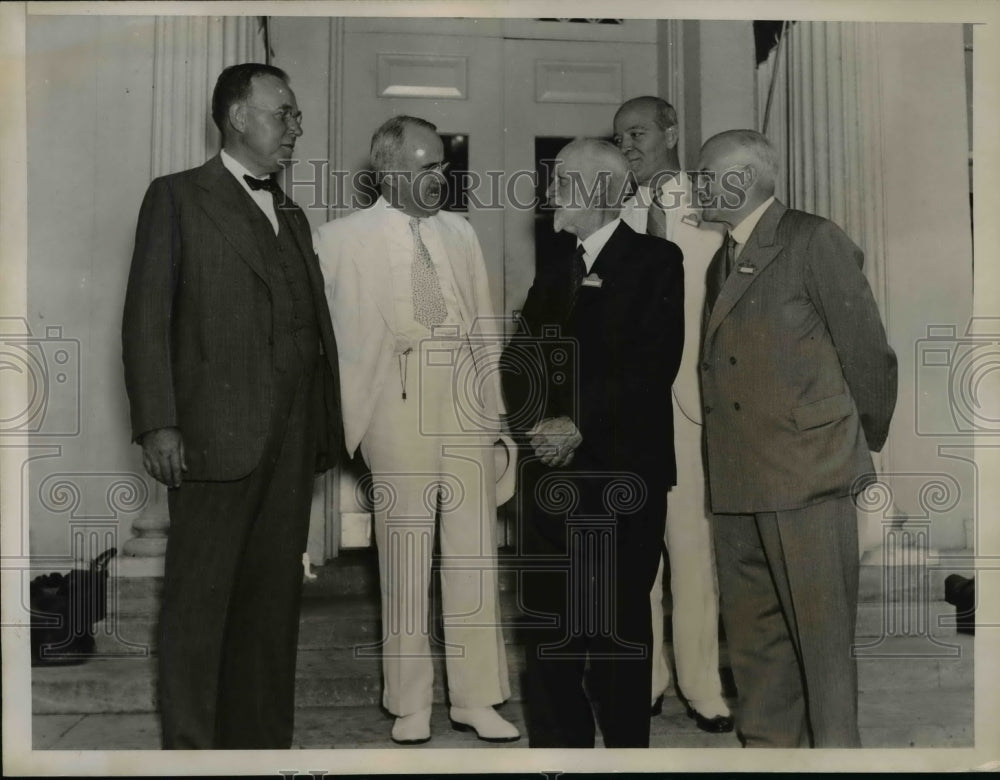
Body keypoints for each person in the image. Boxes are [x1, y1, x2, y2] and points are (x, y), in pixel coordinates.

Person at [121, 62, 342, 749]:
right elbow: (146, 319)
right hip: (214, 441)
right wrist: (159, 423)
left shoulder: (294, 213)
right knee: (199, 605)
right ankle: (191, 749)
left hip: (290, 442)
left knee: (271, 606)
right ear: (239, 116)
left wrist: (323, 430)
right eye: (285, 114)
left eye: (297, 116)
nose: (296, 129)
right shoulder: (178, 197)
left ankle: (259, 746)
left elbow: (312, 327)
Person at [313, 116, 518, 746]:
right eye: (425, 167)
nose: (439, 178)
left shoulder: (460, 232)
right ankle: (409, 703)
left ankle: (477, 698)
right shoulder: (336, 240)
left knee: (474, 549)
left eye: (441, 166)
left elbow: (484, 323)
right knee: (404, 552)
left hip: (463, 393)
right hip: (395, 397)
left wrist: (496, 413)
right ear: (387, 172)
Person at [695, 129, 898, 747]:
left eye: (706, 175)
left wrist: (848, 452)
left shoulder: (812, 239)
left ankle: (838, 759)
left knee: (823, 647)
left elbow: (868, 354)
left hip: (808, 480)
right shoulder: (721, 257)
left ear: (744, 178)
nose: (696, 186)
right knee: (754, 640)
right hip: (738, 478)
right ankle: (768, 751)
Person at [501, 138, 684, 747]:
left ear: (602, 191)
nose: (549, 193)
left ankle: (627, 754)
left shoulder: (659, 261)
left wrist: (575, 424)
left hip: (622, 476)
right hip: (552, 477)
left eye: (562, 181)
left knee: (618, 631)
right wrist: (534, 426)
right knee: (549, 631)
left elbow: (650, 365)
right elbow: (517, 359)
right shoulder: (556, 266)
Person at [612, 95, 733, 733]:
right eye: (619, 137)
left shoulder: (713, 207)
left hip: (690, 406)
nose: (627, 147)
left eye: (637, 133)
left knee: (691, 548)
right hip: (633, 411)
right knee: (639, 555)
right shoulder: (616, 212)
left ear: (671, 132)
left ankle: (703, 685)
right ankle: (648, 680)